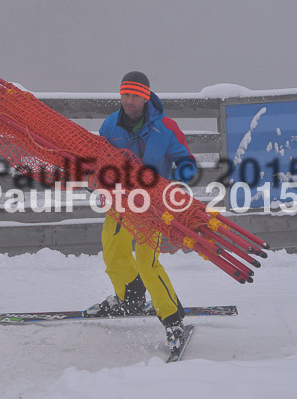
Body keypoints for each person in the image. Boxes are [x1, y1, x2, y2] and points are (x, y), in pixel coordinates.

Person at [84, 71, 197, 354]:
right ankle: (130, 299)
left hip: (155, 208)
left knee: (148, 263)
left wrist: (179, 182)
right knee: (113, 253)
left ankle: (173, 321)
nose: (129, 101)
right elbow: (97, 161)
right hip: (120, 202)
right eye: (125, 95)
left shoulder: (166, 127)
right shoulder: (110, 125)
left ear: (145, 96)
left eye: (134, 95)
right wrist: (93, 178)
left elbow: (186, 161)